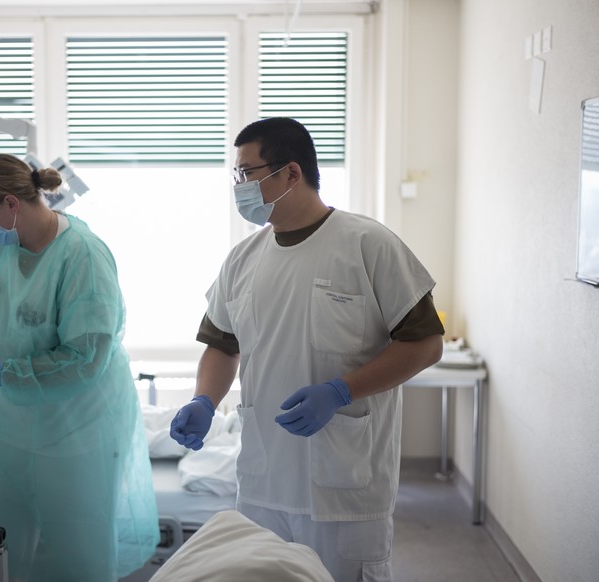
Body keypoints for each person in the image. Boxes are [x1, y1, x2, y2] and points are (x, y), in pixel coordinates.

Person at [169, 117, 444, 581]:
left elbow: (425, 343)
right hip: (262, 481)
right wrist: (204, 399)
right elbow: (221, 344)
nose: (239, 187)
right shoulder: (243, 259)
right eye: (236, 176)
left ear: (291, 173)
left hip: (344, 487)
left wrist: (341, 390)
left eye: (247, 173)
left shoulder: (366, 244)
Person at [0, 153, 159, 582]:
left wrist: (2, 374)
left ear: (10, 205)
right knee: (2, 548)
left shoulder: (82, 257)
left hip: (76, 429)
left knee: (77, 558)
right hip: (9, 428)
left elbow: (86, 359)